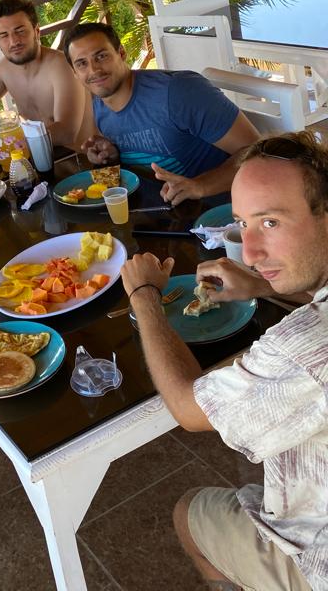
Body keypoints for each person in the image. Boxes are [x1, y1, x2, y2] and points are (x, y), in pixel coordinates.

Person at [120, 131, 328, 591]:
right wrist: (265, 285)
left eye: (270, 222)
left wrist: (145, 297)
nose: (250, 252)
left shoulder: (303, 348)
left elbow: (189, 408)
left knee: (189, 512)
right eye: (242, 223)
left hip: (319, 554)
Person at [64, 21, 259, 206]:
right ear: (74, 73)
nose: (94, 70)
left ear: (121, 53)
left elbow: (258, 152)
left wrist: (200, 185)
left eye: (101, 56)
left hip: (224, 212)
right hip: (164, 215)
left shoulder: (179, 91)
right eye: (82, 63)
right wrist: (113, 154)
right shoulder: (99, 106)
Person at [0, 0, 91, 149]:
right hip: (37, 160)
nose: (14, 42)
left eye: (20, 31)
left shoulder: (62, 66)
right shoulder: (4, 69)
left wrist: (1, 144)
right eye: (4, 36)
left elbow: (66, 133)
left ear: (36, 31)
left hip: (78, 162)